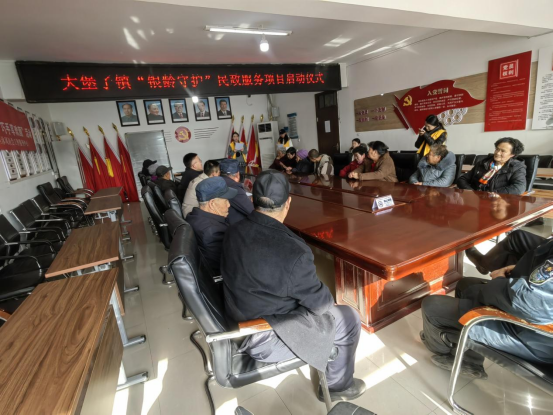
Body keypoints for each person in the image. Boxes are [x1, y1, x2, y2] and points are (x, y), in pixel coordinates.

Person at [222, 170, 366, 402]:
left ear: (252, 199)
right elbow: (322, 305)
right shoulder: (293, 250)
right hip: (264, 335)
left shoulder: (233, 229)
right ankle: (337, 387)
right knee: (348, 318)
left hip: (238, 312)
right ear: (288, 203)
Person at [420, 230, 553, 380]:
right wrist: (519, 269)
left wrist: (499, 281)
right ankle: (469, 358)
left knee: (432, 307)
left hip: (535, 336)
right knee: (466, 285)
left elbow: (524, 301)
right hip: (536, 321)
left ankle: (439, 347)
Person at [186, 176, 237, 276]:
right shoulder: (213, 231)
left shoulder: (192, 216)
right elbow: (226, 265)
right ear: (212, 203)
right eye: (226, 200)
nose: (229, 205)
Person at [457, 138, 526, 195]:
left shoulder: (517, 167)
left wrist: (492, 194)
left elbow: (519, 188)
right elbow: (462, 179)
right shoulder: (483, 163)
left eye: (503, 151)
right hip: (475, 198)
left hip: (497, 201)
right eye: (497, 149)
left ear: (512, 154)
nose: (497, 153)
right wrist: (471, 192)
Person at [220, 159, 254, 224]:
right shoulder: (234, 187)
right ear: (237, 175)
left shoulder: (216, 181)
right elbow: (251, 211)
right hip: (235, 225)